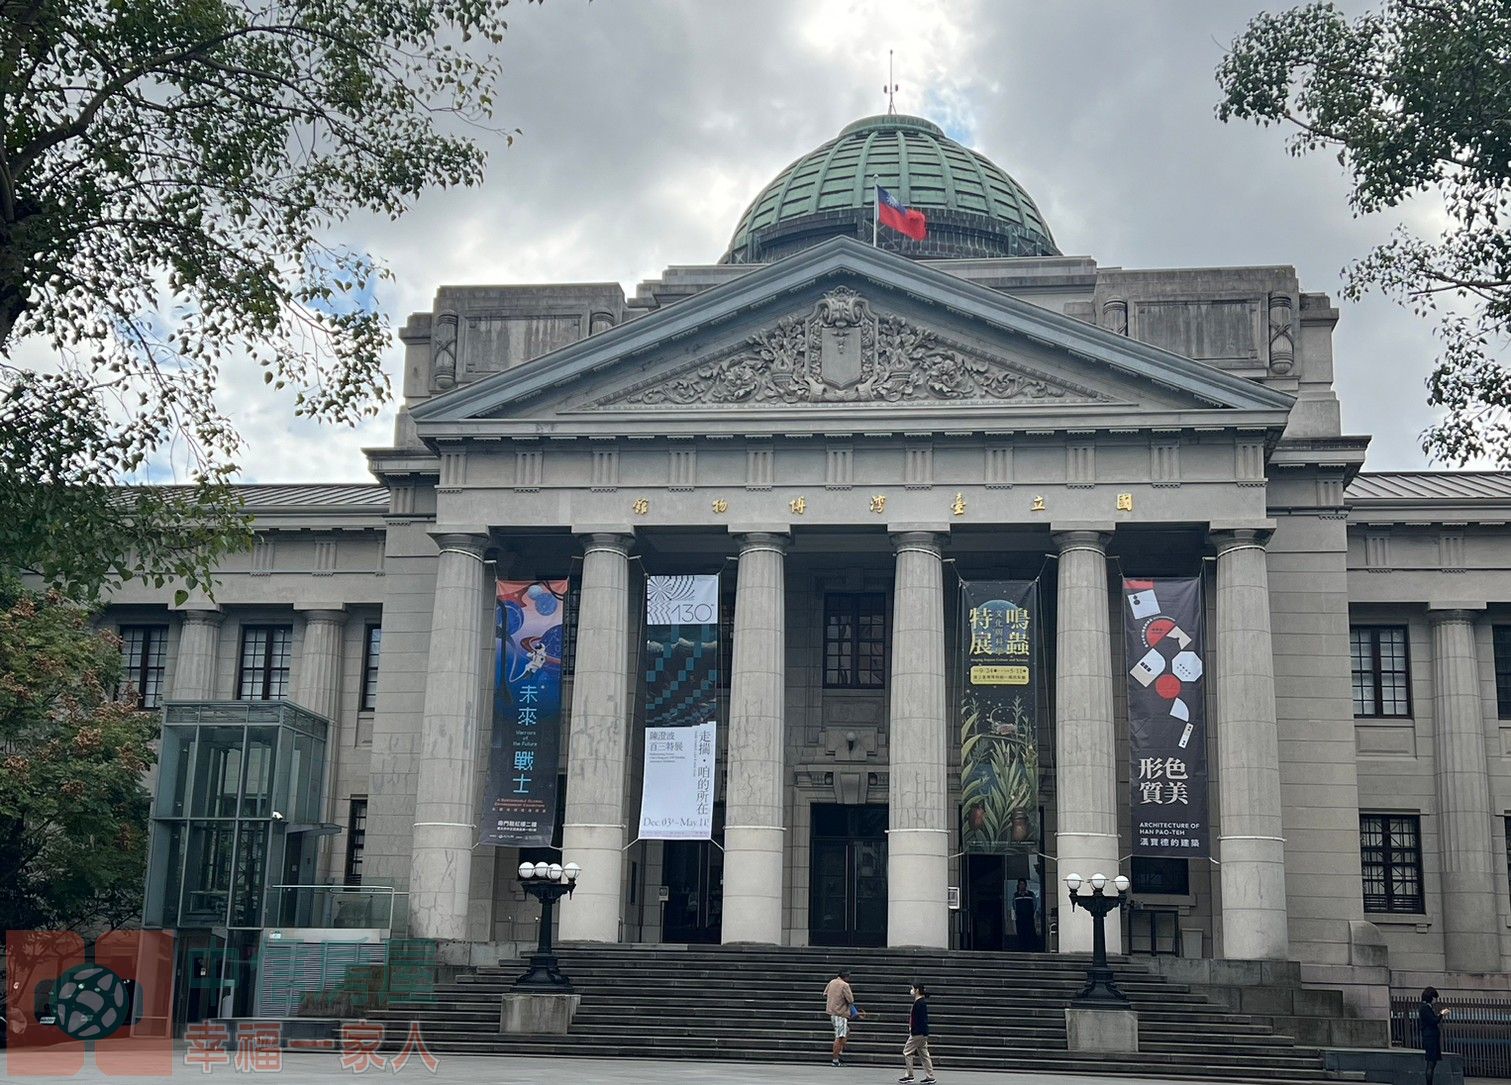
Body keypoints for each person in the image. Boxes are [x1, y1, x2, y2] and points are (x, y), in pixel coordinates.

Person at [823, 969, 865, 1066]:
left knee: (846, 1031)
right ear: (846, 977)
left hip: (832, 1012)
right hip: (840, 1013)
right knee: (840, 1037)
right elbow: (850, 1000)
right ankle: (835, 1059)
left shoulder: (832, 982)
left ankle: (839, 1051)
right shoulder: (845, 985)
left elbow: (825, 994)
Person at [898, 981, 936, 1084]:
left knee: (907, 1052)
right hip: (922, 1033)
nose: (911, 990)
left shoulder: (919, 1003)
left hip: (917, 1033)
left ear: (917, 990)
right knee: (924, 1054)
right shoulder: (921, 1002)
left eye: (912, 988)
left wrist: (914, 1030)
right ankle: (930, 1077)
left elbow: (919, 1019)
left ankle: (909, 1075)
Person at [1419, 986, 1449, 1085]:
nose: (1435, 1000)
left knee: (1432, 1062)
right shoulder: (1425, 1008)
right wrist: (1441, 1014)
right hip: (1430, 1038)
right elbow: (1433, 1020)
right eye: (1434, 998)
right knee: (1431, 1063)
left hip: (1431, 1037)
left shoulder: (1426, 1007)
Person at [1013, 878, 1038, 950]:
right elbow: (1014, 906)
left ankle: (1031, 948)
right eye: (1020, 884)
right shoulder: (1016, 895)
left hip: (1029, 918)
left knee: (1030, 933)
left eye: (1023, 884)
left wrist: (1032, 913)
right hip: (1020, 919)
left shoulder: (1031, 894)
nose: (1022, 886)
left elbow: (1034, 905)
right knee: (1021, 934)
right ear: (1018, 885)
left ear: (1026, 885)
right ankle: (1022, 948)